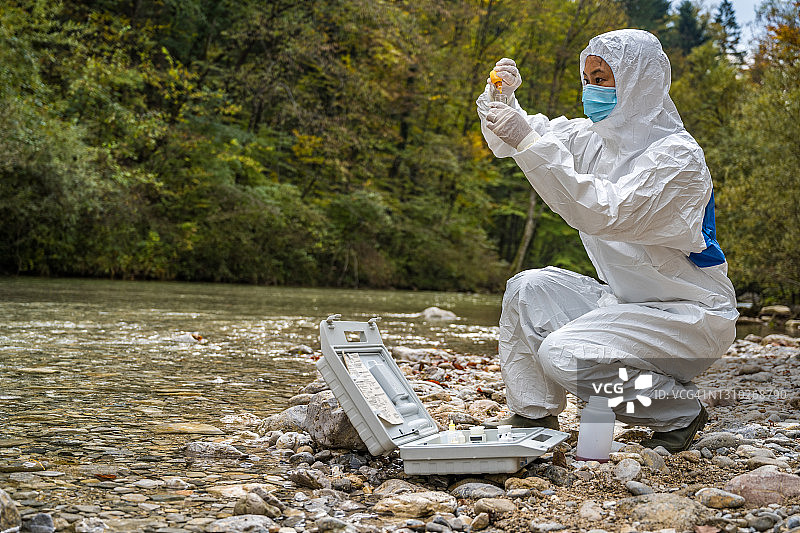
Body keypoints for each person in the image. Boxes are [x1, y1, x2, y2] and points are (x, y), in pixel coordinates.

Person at [475, 29, 738, 452]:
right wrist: (501, 101)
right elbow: (525, 139)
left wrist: (524, 136)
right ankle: (533, 414)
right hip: (626, 303)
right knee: (527, 287)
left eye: (603, 79)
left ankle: (679, 411)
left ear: (639, 81)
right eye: (587, 79)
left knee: (564, 354)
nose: (590, 90)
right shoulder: (595, 139)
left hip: (689, 319)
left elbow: (603, 211)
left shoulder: (677, 158)